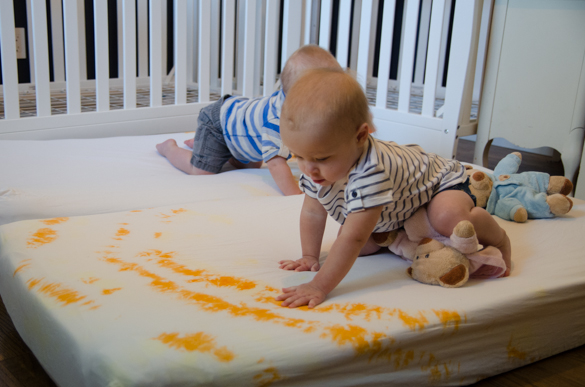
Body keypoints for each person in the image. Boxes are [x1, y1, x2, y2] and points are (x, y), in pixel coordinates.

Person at [276, 68, 512, 308]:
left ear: (360, 136)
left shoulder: (372, 171)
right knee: (360, 246)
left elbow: (353, 238)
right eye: (299, 156)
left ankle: (501, 239)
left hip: (441, 185)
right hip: (400, 203)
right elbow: (313, 212)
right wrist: (309, 256)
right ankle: (400, 230)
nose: (308, 169)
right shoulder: (314, 168)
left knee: (445, 216)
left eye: (322, 158)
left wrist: (318, 285)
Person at [156, 45, 341, 196]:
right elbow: (276, 164)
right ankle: (170, 148)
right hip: (218, 123)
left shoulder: (298, 106)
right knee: (202, 172)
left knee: (250, 161)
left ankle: (205, 145)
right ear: (295, 97)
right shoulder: (277, 121)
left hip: (240, 128)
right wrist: (294, 196)